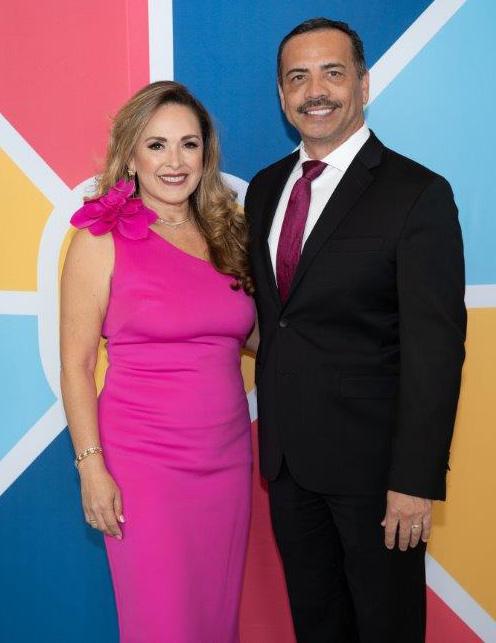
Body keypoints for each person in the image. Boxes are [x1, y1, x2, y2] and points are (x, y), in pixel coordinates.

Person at [245, 18, 466, 643]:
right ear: (282, 95)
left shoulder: (417, 193)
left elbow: (435, 350)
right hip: (288, 467)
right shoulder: (264, 189)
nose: (315, 91)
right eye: (298, 77)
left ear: (363, 84)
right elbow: (278, 319)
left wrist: (413, 481)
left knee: (386, 628)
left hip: (378, 476)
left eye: (332, 73)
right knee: (317, 626)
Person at [60, 81, 257, 643]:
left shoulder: (228, 234)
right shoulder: (99, 239)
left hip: (226, 462)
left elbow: (264, 337)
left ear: (205, 154)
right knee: (163, 625)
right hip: (143, 468)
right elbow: (76, 364)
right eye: (156, 145)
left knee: (215, 623)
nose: (175, 162)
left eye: (189, 144)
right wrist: (92, 468)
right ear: (131, 156)